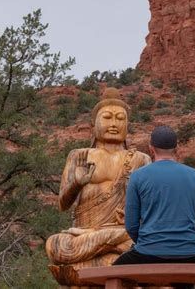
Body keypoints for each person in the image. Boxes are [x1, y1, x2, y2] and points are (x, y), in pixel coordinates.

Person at [45, 88, 151, 285]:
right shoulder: (79, 155)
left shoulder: (140, 159)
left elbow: (152, 207)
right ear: (92, 125)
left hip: (122, 232)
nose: (114, 124)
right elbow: (63, 204)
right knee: (56, 245)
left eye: (120, 118)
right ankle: (112, 245)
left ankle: (109, 243)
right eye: (107, 117)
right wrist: (76, 184)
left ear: (128, 125)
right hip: (89, 236)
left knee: (144, 237)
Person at [113, 125, 195, 266]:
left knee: (113, 274)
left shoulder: (138, 176)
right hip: (188, 253)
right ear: (177, 148)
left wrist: (149, 244)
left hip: (147, 252)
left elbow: (131, 225)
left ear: (151, 148)